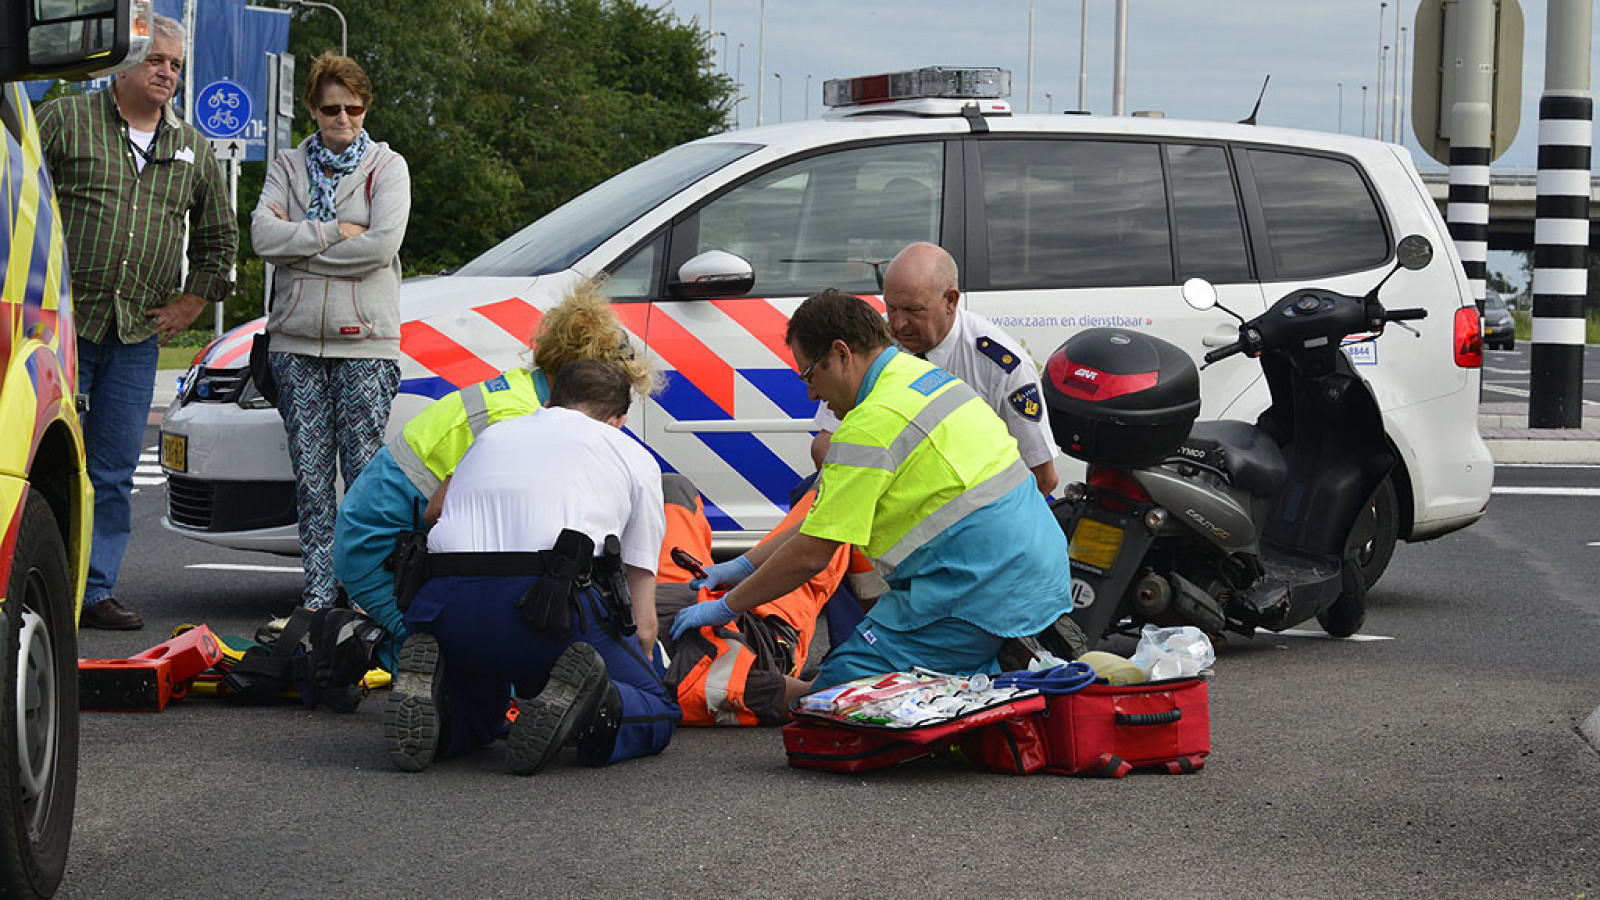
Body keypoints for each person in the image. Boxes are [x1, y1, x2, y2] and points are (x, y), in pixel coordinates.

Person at [672, 289, 1072, 689]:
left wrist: (727, 606)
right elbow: (824, 520)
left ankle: (974, 679)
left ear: (842, 353)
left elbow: (812, 554)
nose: (811, 392)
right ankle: (982, 674)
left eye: (810, 373)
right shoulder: (921, 377)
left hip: (975, 597)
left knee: (833, 698)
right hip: (1033, 572)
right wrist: (743, 565)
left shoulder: (869, 424)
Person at [333, 280, 656, 671]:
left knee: (474, 638)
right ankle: (363, 646)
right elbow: (442, 513)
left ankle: (365, 647)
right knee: (466, 656)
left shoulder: (523, 393)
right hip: (376, 550)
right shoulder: (519, 419)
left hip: (376, 533)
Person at [38, 14, 238, 630]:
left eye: (176, 65)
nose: (168, 74)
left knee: (115, 471)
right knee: (41, 460)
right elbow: (12, 191)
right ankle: (37, 580)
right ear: (125, 60)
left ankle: (93, 591)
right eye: (157, 60)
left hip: (134, 335)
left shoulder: (192, 147)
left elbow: (220, 238)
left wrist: (190, 305)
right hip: (57, 328)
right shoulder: (66, 117)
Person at [384, 359, 677, 774]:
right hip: (546, 610)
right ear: (619, 419)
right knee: (659, 709)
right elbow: (643, 618)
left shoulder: (493, 436)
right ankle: (595, 704)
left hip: (441, 605)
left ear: (551, 400)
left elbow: (435, 511)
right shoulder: (630, 453)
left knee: (484, 711)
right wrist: (636, 666)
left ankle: (447, 713)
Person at [251, 52, 412, 611]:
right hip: (295, 342)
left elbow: (381, 246)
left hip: (366, 343)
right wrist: (331, 233)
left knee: (364, 480)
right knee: (312, 482)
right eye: (330, 108)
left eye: (354, 107)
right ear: (313, 110)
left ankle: (367, 595)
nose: (343, 118)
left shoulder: (388, 168)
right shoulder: (287, 166)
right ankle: (319, 596)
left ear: (366, 107)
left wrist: (301, 250)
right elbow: (261, 236)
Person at [811, 242, 1060, 497]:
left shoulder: (1002, 366)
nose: (897, 324)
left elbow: (1042, 476)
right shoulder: (871, 343)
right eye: (892, 307)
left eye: (913, 310)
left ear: (950, 300)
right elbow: (826, 441)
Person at [654, 474, 851, 726]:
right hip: (769, 621)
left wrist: (741, 567)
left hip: (682, 587)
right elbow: (806, 694)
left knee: (669, 489)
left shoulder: (601, 634)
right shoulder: (694, 685)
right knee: (839, 505)